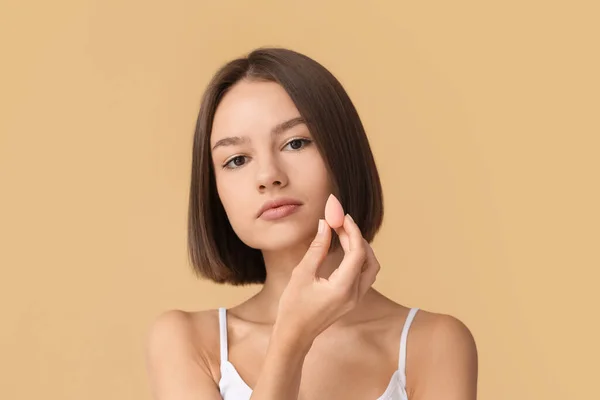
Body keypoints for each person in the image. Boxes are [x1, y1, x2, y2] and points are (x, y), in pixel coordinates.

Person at [145, 47, 478, 400]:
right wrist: (293, 337)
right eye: (237, 159)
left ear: (342, 155)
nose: (268, 176)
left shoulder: (433, 343)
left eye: (295, 142)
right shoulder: (186, 340)